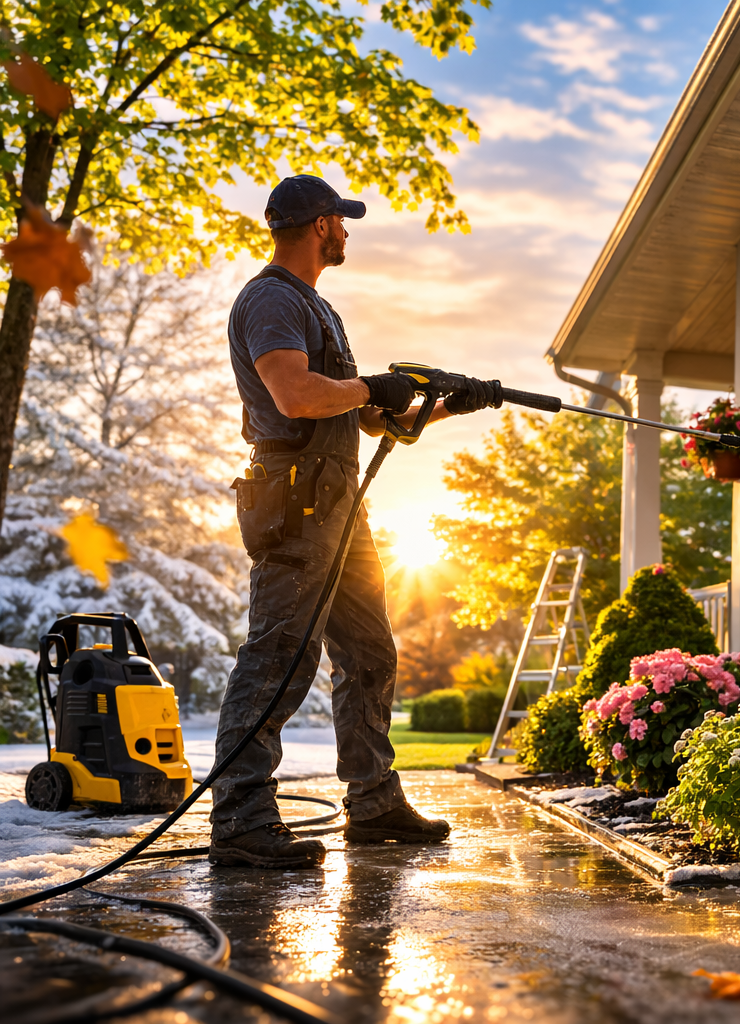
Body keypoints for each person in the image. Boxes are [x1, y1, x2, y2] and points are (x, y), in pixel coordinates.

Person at [211, 175, 501, 868]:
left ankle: (372, 803)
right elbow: (297, 393)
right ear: (318, 226)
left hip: (339, 502)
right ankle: (241, 819)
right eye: (341, 221)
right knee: (279, 656)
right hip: (297, 500)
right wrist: (373, 384)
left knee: (369, 652)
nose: (346, 232)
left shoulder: (318, 308)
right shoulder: (273, 299)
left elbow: (373, 418)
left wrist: (450, 403)